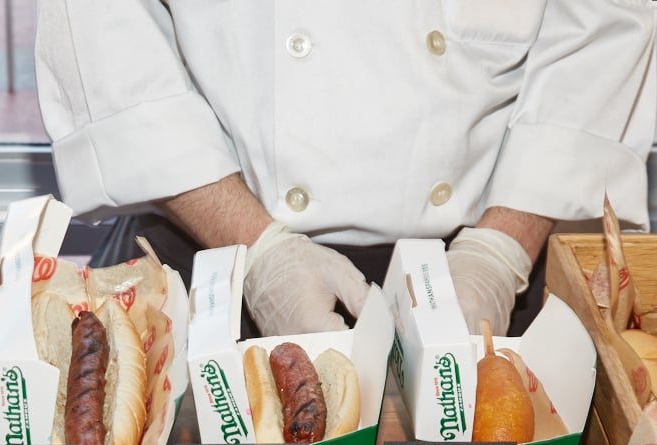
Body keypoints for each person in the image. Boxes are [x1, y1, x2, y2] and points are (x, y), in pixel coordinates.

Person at [33, 2, 657, 337]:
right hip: (209, 241)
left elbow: (608, 22)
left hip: (504, 245)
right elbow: (103, 28)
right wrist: (262, 251)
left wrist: (499, 254)